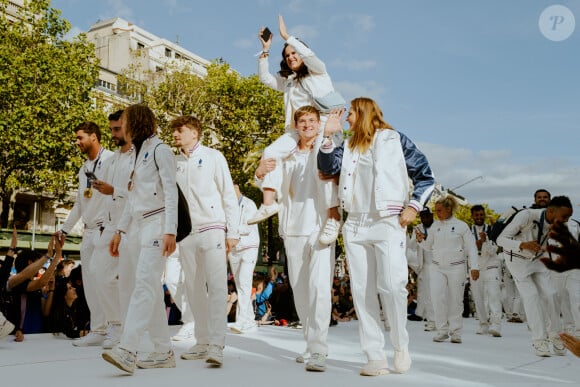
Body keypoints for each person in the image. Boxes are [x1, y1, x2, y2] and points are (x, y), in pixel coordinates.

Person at [318, 98, 435, 376]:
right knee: (362, 291)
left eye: (351, 114)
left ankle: (400, 345)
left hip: (388, 221)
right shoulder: (347, 145)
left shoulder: (394, 139)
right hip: (355, 224)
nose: (347, 119)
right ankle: (374, 356)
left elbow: (426, 176)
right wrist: (327, 135)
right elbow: (326, 167)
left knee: (393, 286)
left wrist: (414, 206)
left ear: (364, 112)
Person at [256, 105, 338, 372]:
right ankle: (309, 343)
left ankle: (319, 349)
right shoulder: (286, 154)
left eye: (312, 120)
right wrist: (259, 174)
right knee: (301, 292)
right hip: (292, 228)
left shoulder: (328, 148)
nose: (307, 125)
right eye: (302, 121)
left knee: (318, 289)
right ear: (296, 126)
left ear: (318, 123)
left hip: (320, 227)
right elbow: (271, 177)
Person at [249, 15, 341, 246]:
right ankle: (269, 203)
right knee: (270, 153)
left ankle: (333, 216)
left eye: (294, 53)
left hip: (321, 126)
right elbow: (266, 80)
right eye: (287, 55)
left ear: (302, 52)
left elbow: (311, 58)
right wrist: (266, 51)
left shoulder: (319, 72)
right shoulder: (289, 81)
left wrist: (287, 37)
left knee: (324, 168)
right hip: (296, 129)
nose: (291, 57)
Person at [102, 104, 178, 374]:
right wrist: (120, 231)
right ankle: (163, 350)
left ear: (137, 122)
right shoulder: (137, 153)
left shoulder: (161, 150)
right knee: (148, 289)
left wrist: (171, 230)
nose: (122, 128)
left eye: (125, 122)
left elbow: (171, 191)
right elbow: (133, 197)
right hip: (137, 225)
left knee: (145, 285)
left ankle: (127, 349)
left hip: (157, 226)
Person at [170, 115, 240, 367]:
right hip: (187, 232)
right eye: (174, 131)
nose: (176, 134)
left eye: (180, 130)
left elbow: (228, 195)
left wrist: (233, 231)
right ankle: (201, 341)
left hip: (213, 228)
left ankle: (217, 345)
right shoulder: (173, 161)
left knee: (218, 287)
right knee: (193, 288)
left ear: (195, 133)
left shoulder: (213, 157)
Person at [55, 121, 114, 347]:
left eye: (80, 137)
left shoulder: (111, 160)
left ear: (94, 137)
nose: (77, 142)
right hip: (88, 232)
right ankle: (98, 329)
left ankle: (114, 329)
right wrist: (64, 229)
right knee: (89, 282)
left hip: (105, 228)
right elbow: (80, 203)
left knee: (105, 281)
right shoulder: (83, 169)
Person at [496, 195, 572, 357]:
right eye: (564, 216)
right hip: (517, 260)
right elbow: (500, 239)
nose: (566, 221)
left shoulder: (557, 224)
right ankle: (539, 341)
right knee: (531, 297)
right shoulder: (527, 216)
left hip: (537, 260)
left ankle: (555, 336)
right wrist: (522, 244)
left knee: (552, 295)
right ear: (551, 211)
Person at [89, 109, 135, 350]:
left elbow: (142, 194)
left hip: (133, 226)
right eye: (111, 130)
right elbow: (102, 195)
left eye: (117, 129)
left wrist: (114, 191)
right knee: (98, 272)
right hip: (109, 227)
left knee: (132, 281)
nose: (114, 134)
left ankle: (130, 329)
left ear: (129, 127)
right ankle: (116, 325)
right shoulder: (110, 160)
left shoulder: (141, 157)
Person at [416, 196, 479, 345]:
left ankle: (456, 332)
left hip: (457, 267)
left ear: (448, 209)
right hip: (437, 267)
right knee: (437, 298)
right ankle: (442, 331)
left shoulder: (462, 226)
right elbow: (427, 246)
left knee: (455, 300)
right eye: (436, 210)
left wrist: (474, 267)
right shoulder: (434, 227)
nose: (437, 213)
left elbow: (472, 248)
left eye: (439, 210)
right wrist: (420, 240)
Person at [229, 183, 260, 334]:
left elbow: (248, 226)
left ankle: (241, 321)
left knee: (244, 282)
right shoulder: (226, 205)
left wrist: (230, 231)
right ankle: (250, 319)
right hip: (233, 250)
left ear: (237, 187)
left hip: (249, 247)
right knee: (240, 284)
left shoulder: (249, 204)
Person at [469, 205, 503, 337]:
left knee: (494, 295)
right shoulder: (468, 231)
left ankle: (496, 325)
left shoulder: (492, 229)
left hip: (491, 266)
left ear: (484, 215)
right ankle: (483, 324)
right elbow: (465, 250)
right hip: (475, 267)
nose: (479, 217)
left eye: (481, 215)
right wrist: (477, 244)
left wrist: (485, 241)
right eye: (476, 215)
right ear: (472, 216)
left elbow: (495, 250)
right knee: (478, 297)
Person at [408, 208, 436, 332]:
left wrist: (427, 237)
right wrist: (417, 238)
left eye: (427, 216)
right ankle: (430, 320)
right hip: (424, 265)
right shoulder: (417, 228)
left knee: (435, 295)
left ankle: (438, 320)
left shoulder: (439, 226)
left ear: (432, 216)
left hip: (437, 264)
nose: (425, 219)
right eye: (423, 217)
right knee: (426, 294)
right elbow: (412, 247)